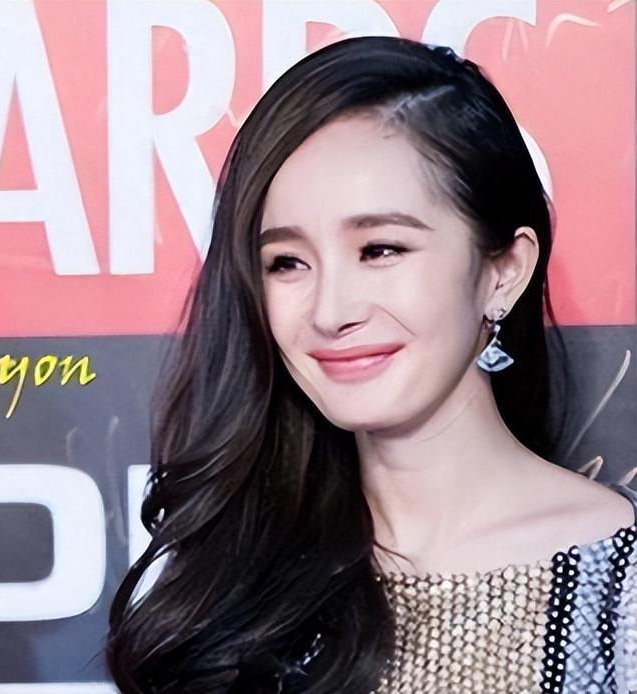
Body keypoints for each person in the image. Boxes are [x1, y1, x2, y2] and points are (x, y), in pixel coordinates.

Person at [107, 36, 635, 693]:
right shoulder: (230, 585)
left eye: (380, 250)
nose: (330, 311)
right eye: (286, 263)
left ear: (503, 271)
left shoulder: (618, 588)